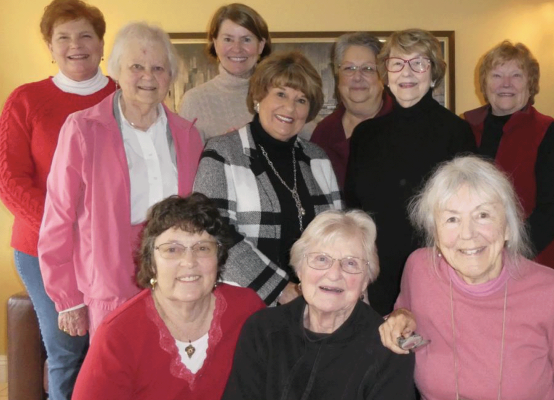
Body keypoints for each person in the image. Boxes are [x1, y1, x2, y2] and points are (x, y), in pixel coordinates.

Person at [378, 156, 554, 399]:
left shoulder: (552, 292)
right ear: (435, 234)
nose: (468, 234)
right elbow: (404, 318)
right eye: (452, 219)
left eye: (482, 215)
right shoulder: (420, 268)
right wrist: (400, 317)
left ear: (509, 227)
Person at [38, 22, 204, 339]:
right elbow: (58, 218)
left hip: (176, 282)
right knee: (115, 380)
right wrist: (67, 299)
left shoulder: (187, 135)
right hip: (109, 286)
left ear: (170, 76)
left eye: (159, 68)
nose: (148, 77)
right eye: (136, 67)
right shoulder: (83, 129)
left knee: (172, 378)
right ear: (116, 71)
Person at [0, 1, 115, 397]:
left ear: (101, 43)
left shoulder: (126, 96)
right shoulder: (25, 100)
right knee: (67, 352)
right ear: (50, 46)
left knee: (113, 350)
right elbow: (10, 181)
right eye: (63, 37)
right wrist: (68, 228)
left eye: (85, 35)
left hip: (112, 249)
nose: (75, 46)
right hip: (42, 250)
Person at [72, 193, 265, 399]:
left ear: (218, 257)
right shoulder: (117, 334)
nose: (189, 262)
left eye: (202, 248)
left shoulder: (247, 310)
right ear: (151, 262)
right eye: (172, 249)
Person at [345, 28, 476, 315]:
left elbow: (467, 211)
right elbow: (353, 209)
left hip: (438, 274)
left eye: (419, 63)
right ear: (386, 73)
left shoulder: (457, 133)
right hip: (376, 277)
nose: (407, 72)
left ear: (433, 74)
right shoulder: (365, 135)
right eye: (397, 63)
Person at [194, 51, 340, 306]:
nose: (290, 108)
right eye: (281, 94)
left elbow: (339, 235)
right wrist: (281, 289)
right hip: (244, 305)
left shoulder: (317, 159)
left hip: (314, 306)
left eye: (301, 100)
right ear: (259, 96)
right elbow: (213, 233)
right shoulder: (223, 152)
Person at [222, 210, 415, 399]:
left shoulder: (389, 350)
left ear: (366, 280)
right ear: (299, 269)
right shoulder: (262, 330)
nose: (333, 274)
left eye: (350, 263)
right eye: (321, 259)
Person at [463, 40, 554, 270]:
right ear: (484, 83)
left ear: (530, 84)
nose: (506, 84)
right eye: (497, 75)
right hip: (475, 258)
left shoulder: (547, 131)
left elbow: (552, 209)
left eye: (516, 76)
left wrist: (511, 253)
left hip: (531, 260)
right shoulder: (466, 127)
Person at [309, 32, 393, 189]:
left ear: (383, 76)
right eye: (349, 68)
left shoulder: (403, 126)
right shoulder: (324, 133)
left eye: (368, 69)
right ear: (337, 74)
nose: (357, 77)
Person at [179, 3, 271, 141]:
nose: (237, 48)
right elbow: (186, 160)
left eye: (246, 39)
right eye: (228, 39)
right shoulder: (194, 101)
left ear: (261, 45)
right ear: (215, 44)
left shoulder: (280, 94)